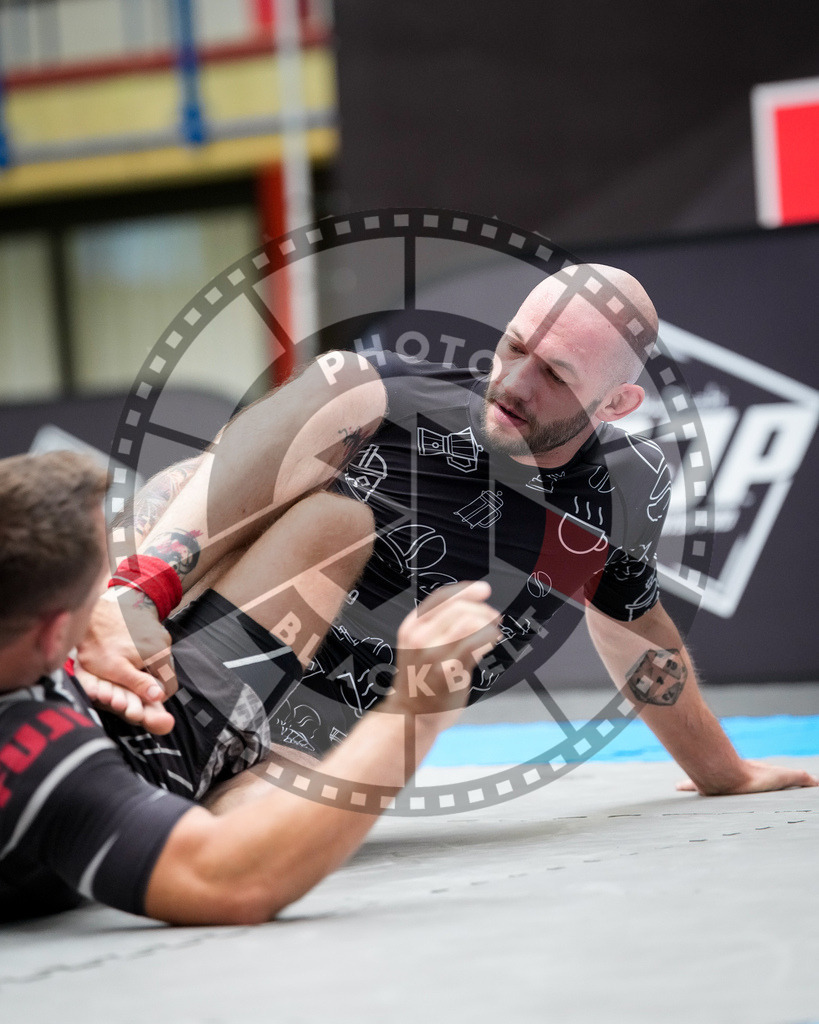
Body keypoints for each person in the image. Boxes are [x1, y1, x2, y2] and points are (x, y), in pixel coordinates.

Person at [79, 262, 817, 800]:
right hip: (183, 666)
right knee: (307, 430)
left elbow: (631, 624)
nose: (515, 382)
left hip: (295, 766)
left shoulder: (610, 499)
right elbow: (195, 487)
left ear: (617, 402)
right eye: (514, 346)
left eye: (555, 374)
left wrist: (723, 771)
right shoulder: (390, 397)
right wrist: (132, 595)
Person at [0, 450, 501, 923]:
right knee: (305, 791)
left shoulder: (34, 656)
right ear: (50, 636)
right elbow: (230, 879)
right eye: (94, 598)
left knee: (331, 521)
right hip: (174, 755)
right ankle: (227, 789)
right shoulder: (34, 756)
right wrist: (417, 708)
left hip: (147, 696)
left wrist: (114, 604)